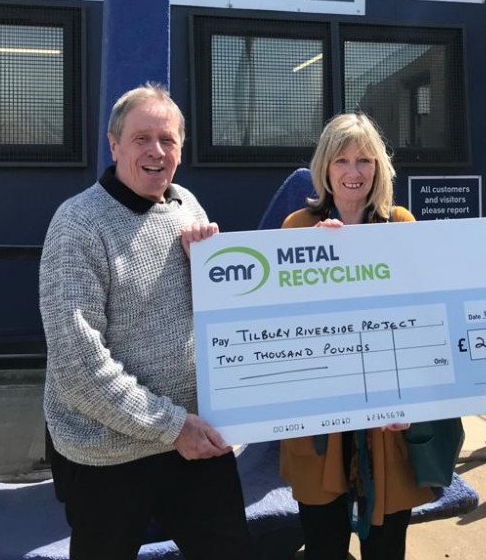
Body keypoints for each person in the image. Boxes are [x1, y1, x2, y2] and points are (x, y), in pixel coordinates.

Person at [39, 84, 251, 560]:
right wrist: (172, 427)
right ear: (113, 145)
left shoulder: (188, 208)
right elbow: (79, 367)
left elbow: (216, 319)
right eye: (141, 139)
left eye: (168, 139)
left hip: (194, 439)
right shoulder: (78, 225)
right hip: (109, 454)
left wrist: (208, 274)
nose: (156, 151)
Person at [279, 113, 461, 560]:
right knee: (323, 543)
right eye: (341, 160)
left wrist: (414, 400)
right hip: (321, 422)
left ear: (379, 168)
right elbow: (280, 330)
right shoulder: (297, 229)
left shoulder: (401, 224)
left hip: (387, 422)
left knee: (386, 546)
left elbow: (423, 321)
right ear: (325, 167)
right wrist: (313, 266)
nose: (353, 172)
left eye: (364, 160)